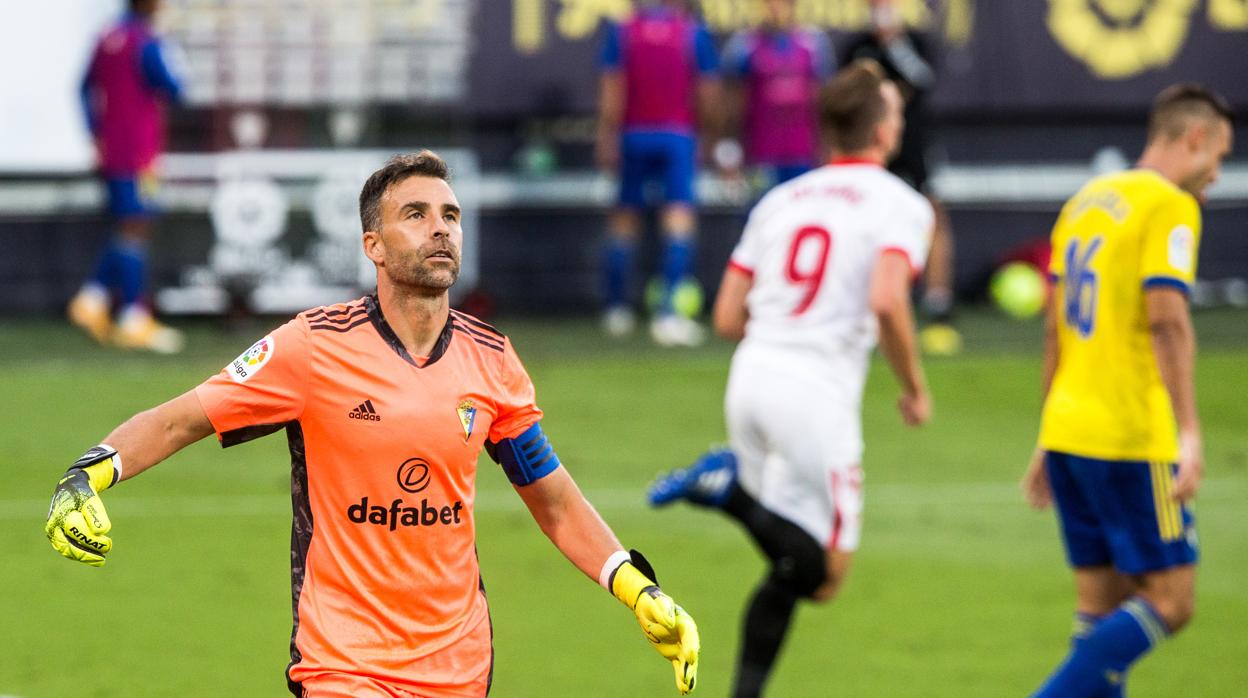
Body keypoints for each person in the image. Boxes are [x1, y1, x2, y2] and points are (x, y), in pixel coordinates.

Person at [45, 151, 700, 697]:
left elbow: (553, 499)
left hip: (460, 667)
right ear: (374, 246)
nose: (439, 228)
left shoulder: (493, 360)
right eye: (414, 214)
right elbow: (178, 420)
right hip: (343, 665)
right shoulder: (312, 348)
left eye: (450, 215)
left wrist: (638, 588)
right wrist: (88, 473)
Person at [647, 60, 932, 697]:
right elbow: (889, 299)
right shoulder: (901, 203)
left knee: (788, 565)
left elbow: (726, 317)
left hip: (750, 379)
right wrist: (914, 388)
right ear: (884, 130)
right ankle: (731, 496)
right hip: (815, 397)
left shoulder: (783, 199)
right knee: (823, 575)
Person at [1021, 84, 1232, 697]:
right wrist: (1189, 432)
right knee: (1171, 601)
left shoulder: (1085, 200)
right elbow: (1166, 318)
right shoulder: (1168, 205)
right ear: (1194, 138)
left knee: (1100, 615)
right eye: (1218, 157)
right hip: (1129, 438)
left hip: (1071, 432)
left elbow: (1054, 330)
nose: (1216, 175)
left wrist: (1047, 433)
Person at [596, 0, 720, 346]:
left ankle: (617, 309)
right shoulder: (691, 32)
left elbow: (612, 89)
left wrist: (607, 136)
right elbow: (707, 91)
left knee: (625, 219)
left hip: (634, 134)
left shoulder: (624, 31)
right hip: (676, 135)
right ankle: (668, 314)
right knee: (679, 218)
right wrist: (710, 136)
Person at [842, 0, 959, 354]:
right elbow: (852, 95)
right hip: (872, 147)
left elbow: (921, 81)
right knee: (866, 221)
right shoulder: (857, 47)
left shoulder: (915, 42)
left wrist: (894, 43)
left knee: (932, 214)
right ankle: (864, 305)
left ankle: (938, 302)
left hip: (913, 144)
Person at [69, 0, 185, 354]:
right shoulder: (145, 41)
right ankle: (132, 316)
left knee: (129, 225)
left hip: (115, 149)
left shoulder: (108, 36)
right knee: (135, 225)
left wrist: (96, 133)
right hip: (139, 152)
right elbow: (175, 88)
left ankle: (92, 300)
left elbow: (83, 87)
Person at [717, 0, 835, 188]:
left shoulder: (814, 44)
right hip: (761, 153)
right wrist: (728, 147)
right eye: (770, 3)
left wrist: (828, 147)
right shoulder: (744, 45)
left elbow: (822, 100)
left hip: (802, 152)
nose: (775, 8)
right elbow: (731, 101)